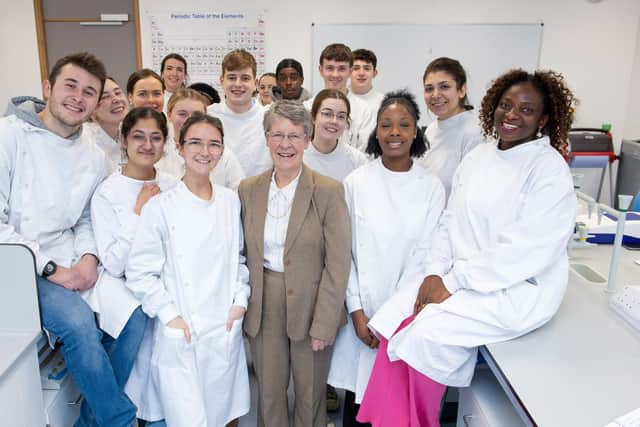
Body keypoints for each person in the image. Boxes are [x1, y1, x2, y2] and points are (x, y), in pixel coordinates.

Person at [358, 70, 578, 427]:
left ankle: (416, 422)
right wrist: (433, 273)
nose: (511, 115)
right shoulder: (479, 158)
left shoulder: (548, 169)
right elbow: (449, 224)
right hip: (457, 275)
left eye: (526, 109)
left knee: (426, 335)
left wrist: (453, 281)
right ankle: (387, 421)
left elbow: (524, 251)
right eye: (506, 105)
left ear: (544, 118)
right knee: (392, 318)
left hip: (514, 288)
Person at [0, 52, 140, 426]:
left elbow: (84, 218)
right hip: (16, 265)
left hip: (70, 257)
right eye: (70, 86)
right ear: (48, 88)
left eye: (89, 92)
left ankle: (93, 419)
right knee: (78, 322)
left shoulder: (94, 157)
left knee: (135, 316)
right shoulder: (8, 137)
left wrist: (88, 259)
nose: (78, 97)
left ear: (96, 104)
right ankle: (120, 420)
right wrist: (49, 269)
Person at [327, 91, 445, 427]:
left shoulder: (431, 186)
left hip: (407, 317)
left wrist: (390, 319)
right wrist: (358, 311)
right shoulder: (356, 183)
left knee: (397, 408)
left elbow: (427, 258)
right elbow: (343, 252)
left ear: (415, 133)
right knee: (359, 408)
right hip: (361, 318)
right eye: (386, 125)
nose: (395, 132)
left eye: (404, 125)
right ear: (375, 133)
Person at [126, 112, 251, 427]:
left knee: (224, 414)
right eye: (195, 142)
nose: (204, 151)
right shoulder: (161, 207)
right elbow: (140, 272)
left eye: (213, 144)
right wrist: (170, 316)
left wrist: (240, 302)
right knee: (186, 416)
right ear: (179, 149)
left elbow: (238, 259)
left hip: (223, 327)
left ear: (222, 151)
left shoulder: (230, 201)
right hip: (182, 328)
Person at [238, 100, 351, 427]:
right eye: (277, 135)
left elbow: (338, 263)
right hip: (264, 303)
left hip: (313, 304)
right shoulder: (248, 189)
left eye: (294, 136)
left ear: (306, 139)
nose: (285, 144)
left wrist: (326, 321)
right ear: (266, 138)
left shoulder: (328, 191)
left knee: (310, 396)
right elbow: (241, 254)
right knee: (269, 396)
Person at [90, 107, 176, 426]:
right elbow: (114, 263)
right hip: (126, 294)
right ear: (124, 139)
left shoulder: (172, 185)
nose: (147, 145)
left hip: (167, 291)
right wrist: (139, 212)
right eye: (138, 136)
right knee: (137, 382)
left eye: (156, 138)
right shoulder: (107, 192)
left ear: (165, 143)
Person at [416, 57, 483, 199]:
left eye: (444, 87)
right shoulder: (431, 130)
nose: (435, 95)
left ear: (462, 90)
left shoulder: (475, 132)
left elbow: (471, 193)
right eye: (429, 89)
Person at [156, 88, 245, 189]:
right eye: (182, 114)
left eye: (196, 115)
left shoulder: (222, 154)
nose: (189, 120)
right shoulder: (158, 152)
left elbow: (239, 190)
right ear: (169, 115)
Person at [207, 49, 272, 177]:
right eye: (231, 77)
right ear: (222, 80)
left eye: (245, 78)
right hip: (217, 193)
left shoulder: (269, 117)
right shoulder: (208, 115)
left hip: (258, 194)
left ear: (255, 83)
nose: (238, 84)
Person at [304, 43, 376, 153]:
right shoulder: (307, 107)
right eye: (330, 68)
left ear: (350, 71)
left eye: (342, 69)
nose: (335, 75)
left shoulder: (364, 110)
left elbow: (365, 152)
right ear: (321, 70)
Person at [304, 89, 368, 182]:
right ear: (313, 117)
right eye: (327, 114)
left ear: (347, 122)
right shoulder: (298, 156)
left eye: (341, 116)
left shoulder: (357, 160)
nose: (334, 121)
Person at [84, 76, 128, 169]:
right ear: (92, 108)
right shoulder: (84, 139)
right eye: (105, 97)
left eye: (117, 92)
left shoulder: (128, 132)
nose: (116, 99)